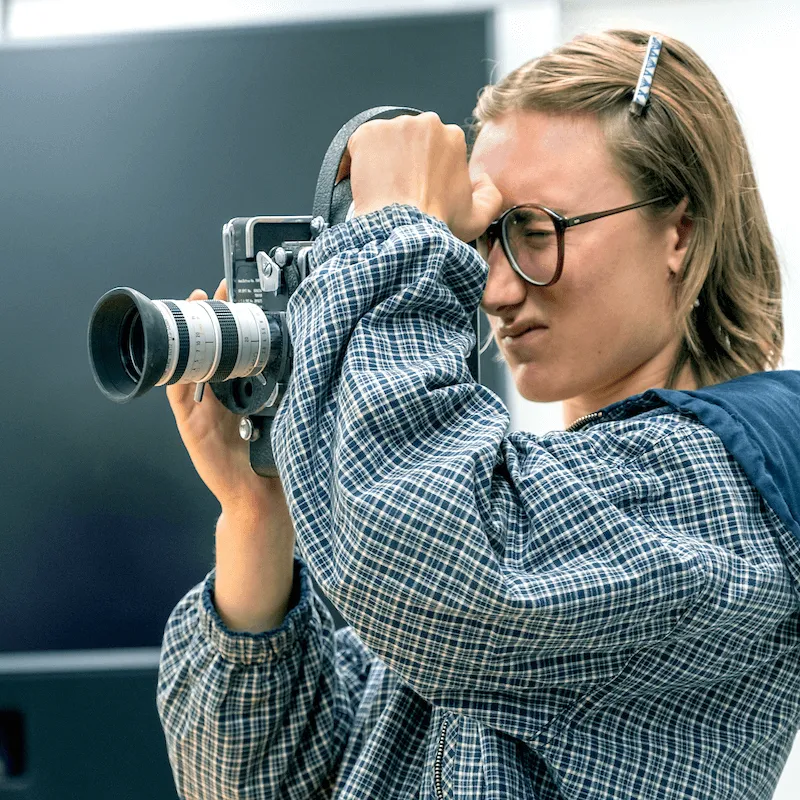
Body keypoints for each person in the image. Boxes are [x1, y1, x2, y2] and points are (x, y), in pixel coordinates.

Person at [157, 30, 800, 799]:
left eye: (536, 231)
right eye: (484, 237)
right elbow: (243, 785)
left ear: (680, 232)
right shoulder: (508, 511)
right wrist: (257, 515)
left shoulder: (740, 484)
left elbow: (443, 568)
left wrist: (397, 234)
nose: (494, 290)